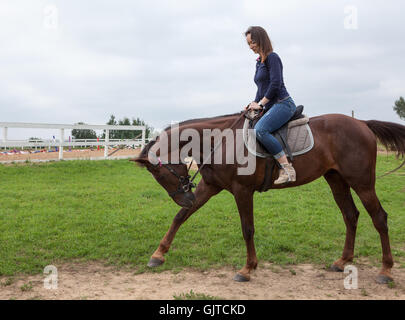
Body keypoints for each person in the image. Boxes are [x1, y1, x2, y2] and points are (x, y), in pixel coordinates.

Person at [244, 26, 297, 184]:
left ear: (261, 40)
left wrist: (260, 104)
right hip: (269, 106)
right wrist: (253, 104)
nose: (251, 46)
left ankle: (287, 169)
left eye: (253, 42)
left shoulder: (273, 57)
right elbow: (261, 89)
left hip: (283, 103)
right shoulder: (259, 62)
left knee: (260, 130)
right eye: (248, 44)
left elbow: (275, 84)